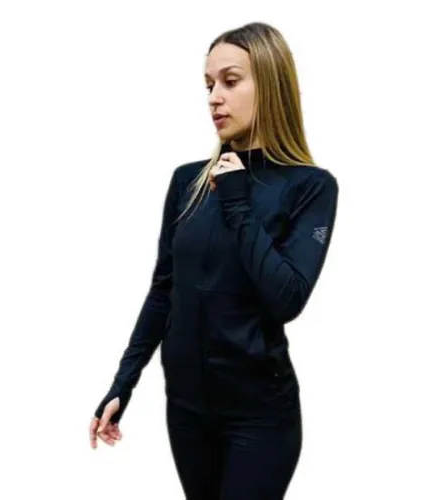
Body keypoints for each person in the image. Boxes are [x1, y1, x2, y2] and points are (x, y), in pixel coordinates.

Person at [89, 21, 339, 499]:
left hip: (259, 418)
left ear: (270, 84)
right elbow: (164, 291)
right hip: (186, 412)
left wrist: (238, 201)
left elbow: (287, 298)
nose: (214, 98)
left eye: (230, 81)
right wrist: (124, 383)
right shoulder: (189, 181)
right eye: (208, 85)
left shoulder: (311, 186)